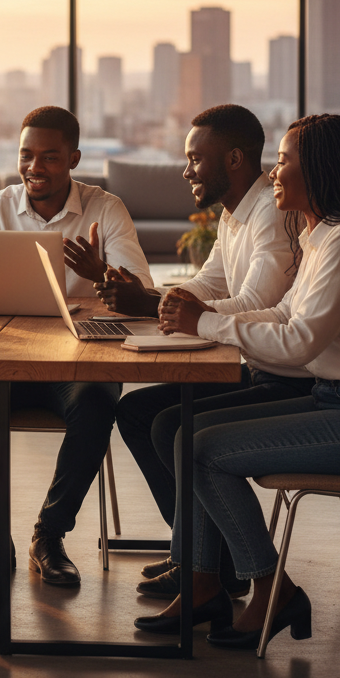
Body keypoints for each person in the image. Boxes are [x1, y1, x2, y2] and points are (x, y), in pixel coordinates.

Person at [134, 114, 340, 651]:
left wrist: (206, 322)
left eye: (285, 160)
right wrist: (200, 312)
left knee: (201, 451)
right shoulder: (321, 235)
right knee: (182, 433)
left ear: (318, 169)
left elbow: (299, 342)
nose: (273, 170)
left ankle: (274, 589)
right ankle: (204, 580)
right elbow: (280, 315)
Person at [0, 105, 154, 586]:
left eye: (49, 157)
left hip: (74, 364)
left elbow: (141, 291)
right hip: (3, 358)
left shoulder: (105, 208)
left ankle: (48, 536)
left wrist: (103, 276)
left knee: (98, 401)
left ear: (73, 158)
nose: (35, 167)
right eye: (27, 155)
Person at [105, 104, 307, 602]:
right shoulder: (234, 215)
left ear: (234, 158)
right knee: (137, 412)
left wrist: (163, 307)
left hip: (284, 375)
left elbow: (255, 304)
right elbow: (206, 284)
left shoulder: (272, 215)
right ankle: (199, 558)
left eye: (196, 158)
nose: (185, 169)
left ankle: (207, 564)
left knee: (170, 425)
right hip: (254, 363)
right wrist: (155, 299)